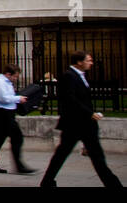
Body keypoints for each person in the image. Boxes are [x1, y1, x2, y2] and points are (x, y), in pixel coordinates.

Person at [40, 51, 123, 188]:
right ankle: (47, 181)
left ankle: (112, 184)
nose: (91, 63)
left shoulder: (79, 76)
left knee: (96, 157)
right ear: (79, 62)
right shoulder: (69, 76)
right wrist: (90, 113)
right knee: (63, 155)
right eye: (88, 60)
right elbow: (70, 99)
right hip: (74, 124)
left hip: (85, 124)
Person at [0, 64, 32, 174]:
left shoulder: (6, 82)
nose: (16, 79)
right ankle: (18, 166)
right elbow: (3, 98)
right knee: (16, 137)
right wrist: (18, 98)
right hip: (2, 113)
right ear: (8, 74)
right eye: (15, 76)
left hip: (6, 113)